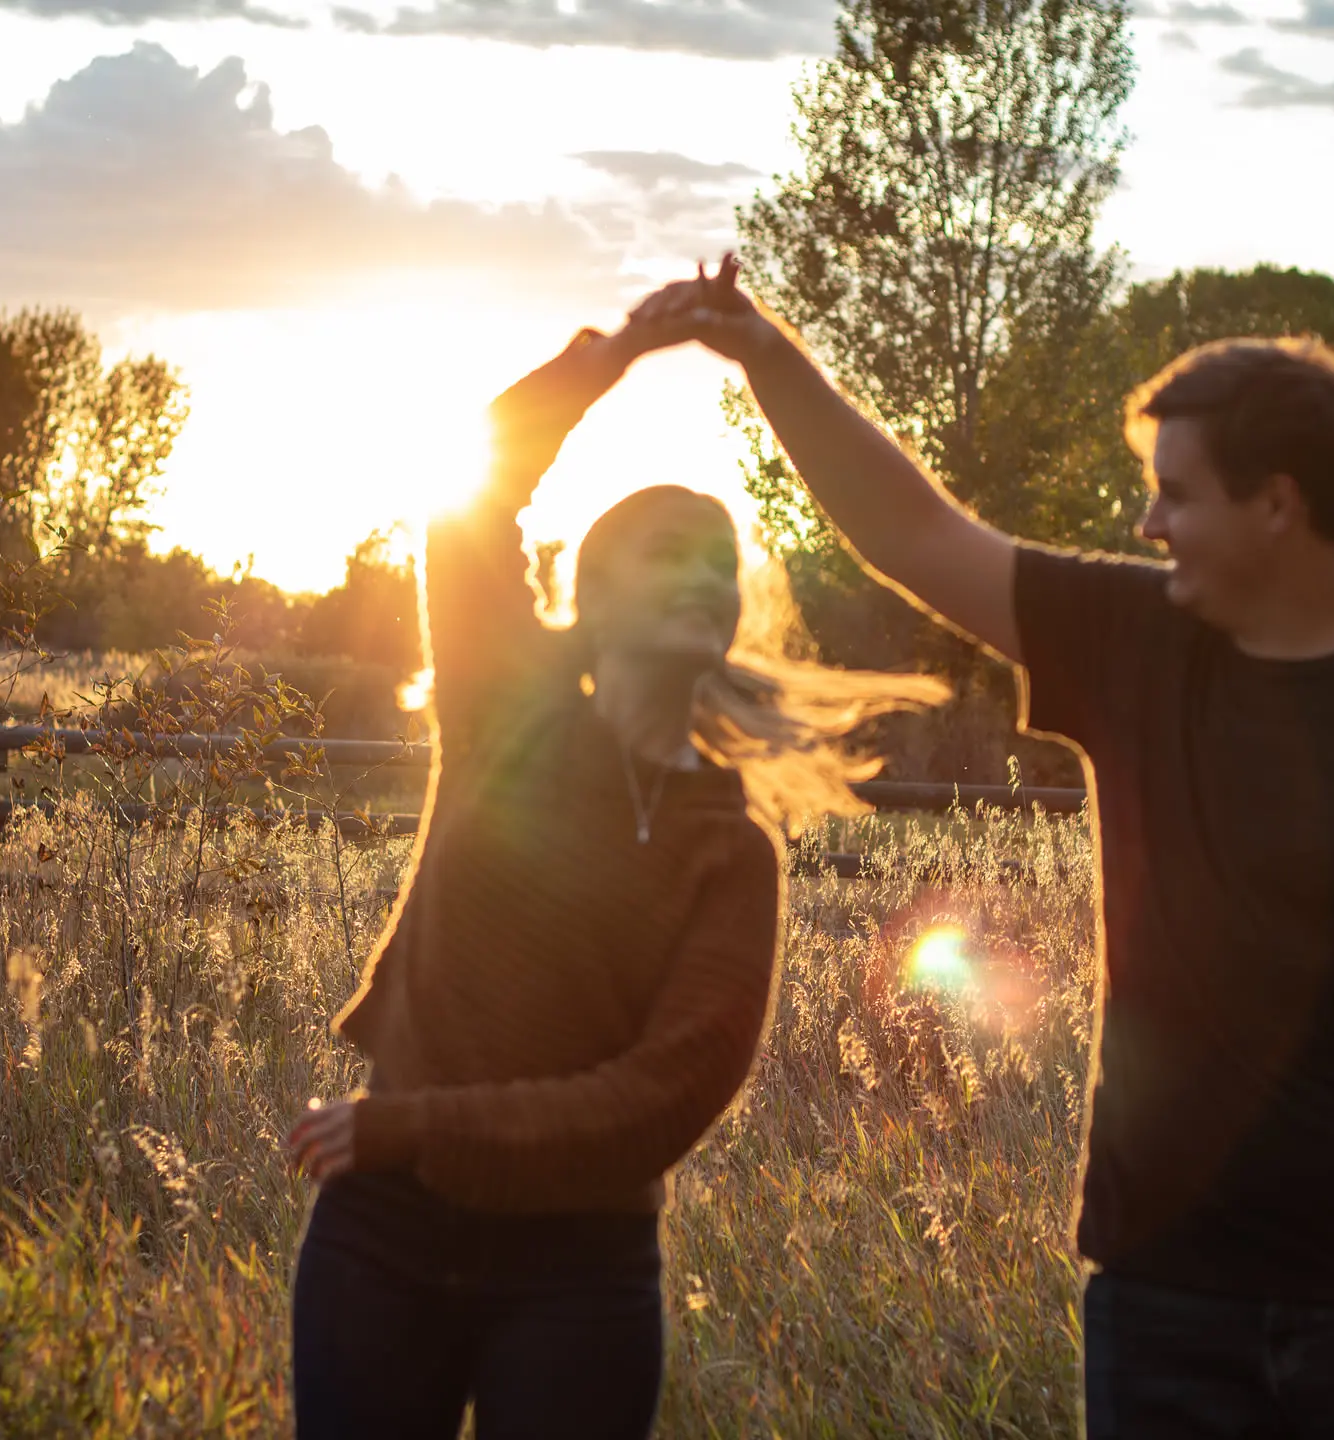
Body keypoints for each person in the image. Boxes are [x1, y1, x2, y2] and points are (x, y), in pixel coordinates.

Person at [629, 257, 1334, 1439]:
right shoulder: (1134, 639)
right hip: (1168, 1306)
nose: (1149, 524)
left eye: (1176, 494)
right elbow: (911, 532)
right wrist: (764, 353)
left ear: (1277, 505)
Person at [282, 316, 944, 1440]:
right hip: (382, 1242)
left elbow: (661, 1101)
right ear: (586, 601)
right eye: (665, 554)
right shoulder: (505, 714)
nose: (702, 577)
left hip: (579, 1276)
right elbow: (474, 502)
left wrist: (420, 1127)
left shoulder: (732, 854)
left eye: (717, 563)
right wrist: (604, 361)